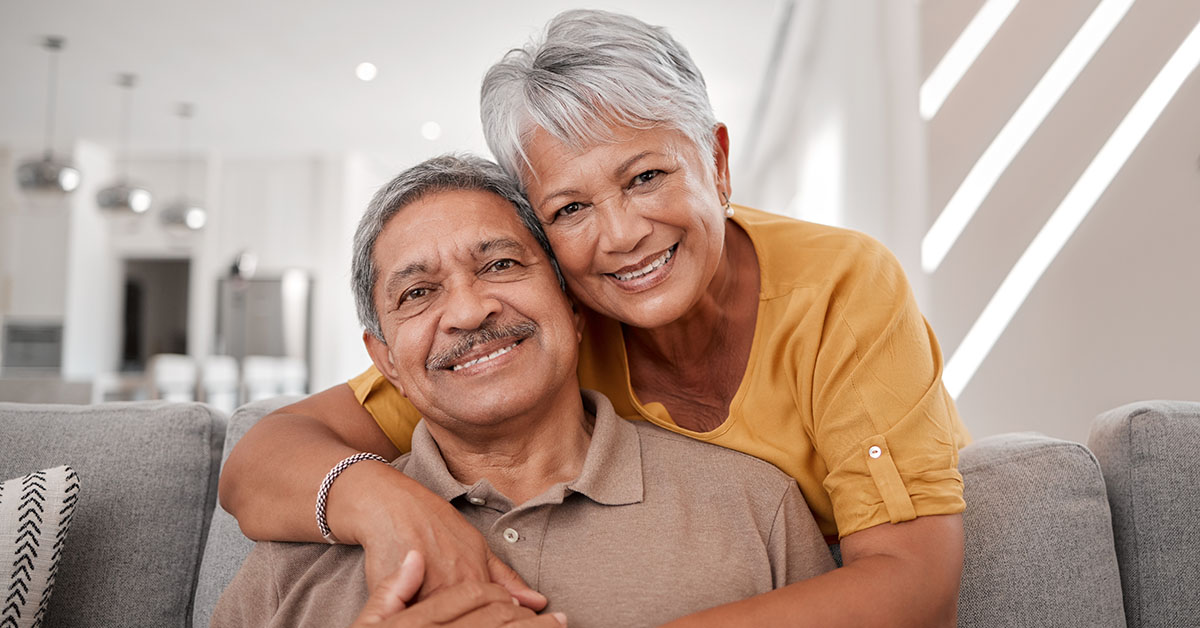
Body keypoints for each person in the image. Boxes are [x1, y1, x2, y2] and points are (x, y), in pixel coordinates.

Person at [220, 9, 969, 626]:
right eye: (571, 209)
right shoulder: (528, 333)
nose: (620, 236)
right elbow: (262, 459)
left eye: (646, 177)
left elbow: (914, 581)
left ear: (717, 162)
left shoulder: (839, 289)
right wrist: (389, 506)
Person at [211, 154, 835, 628]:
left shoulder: (758, 509)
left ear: (573, 302)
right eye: (418, 293)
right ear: (385, 362)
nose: (468, 311)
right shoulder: (294, 557)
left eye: (499, 265)